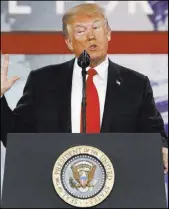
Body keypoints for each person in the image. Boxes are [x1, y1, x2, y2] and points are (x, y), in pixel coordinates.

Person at [1, 3, 168, 173]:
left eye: (96, 27)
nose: (91, 36)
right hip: (54, 189)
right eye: (81, 31)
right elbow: (16, 139)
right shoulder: (42, 81)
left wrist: (162, 147)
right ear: (69, 42)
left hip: (120, 189)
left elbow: (153, 132)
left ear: (108, 34)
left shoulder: (136, 84)